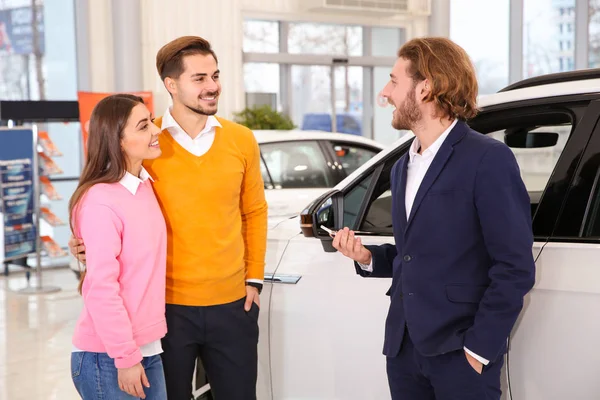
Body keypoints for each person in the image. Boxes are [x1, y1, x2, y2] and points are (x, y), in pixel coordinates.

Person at [331, 37, 536, 400]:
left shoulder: (487, 159)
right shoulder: (401, 167)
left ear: (425, 87)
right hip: (404, 349)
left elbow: (514, 266)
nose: (385, 93)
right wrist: (368, 257)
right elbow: (416, 256)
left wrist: (479, 350)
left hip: (460, 353)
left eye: (394, 81)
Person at [70, 36, 268, 400]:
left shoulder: (241, 140)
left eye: (215, 75)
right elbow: (111, 207)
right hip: (166, 310)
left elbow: (253, 210)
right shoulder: (148, 143)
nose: (212, 86)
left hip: (232, 305)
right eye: (199, 78)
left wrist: (254, 277)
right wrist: (87, 243)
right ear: (171, 84)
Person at [69, 94, 167, 399]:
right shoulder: (101, 199)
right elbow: (101, 287)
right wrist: (125, 357)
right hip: (109, 358)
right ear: (118, 141)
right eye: (143, 126)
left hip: (147, 350)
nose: (155, 130)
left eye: (150, 121)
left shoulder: (144, 186)